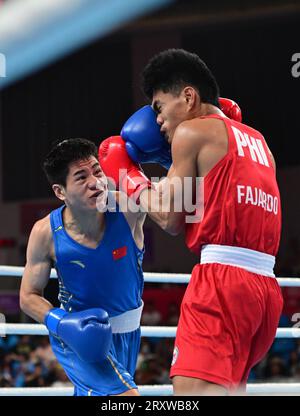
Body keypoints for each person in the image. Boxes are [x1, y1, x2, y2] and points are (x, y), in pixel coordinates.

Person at [98, 49, 284, 395]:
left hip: (222, 284)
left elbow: (170, 218)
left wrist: (128, 177)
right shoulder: (258, 141)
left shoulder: (192, 133)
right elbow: (209, 205)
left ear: (188, 96)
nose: (156, 122)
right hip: (265, 292)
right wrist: (171, 169)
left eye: (158, 107)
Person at [20, 138, 146, 396]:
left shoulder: (128, 207)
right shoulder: (46, 232)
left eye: (97, 171)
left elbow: (174, 217)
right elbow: (28, 296)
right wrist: (62, 323)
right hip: (76, 334)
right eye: (81, 177)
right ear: (60, 191)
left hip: (129, 332)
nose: (95, 182)